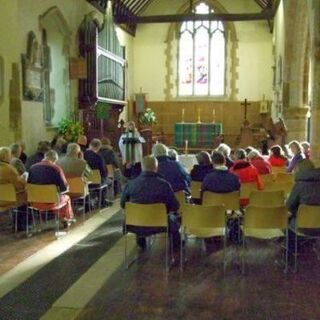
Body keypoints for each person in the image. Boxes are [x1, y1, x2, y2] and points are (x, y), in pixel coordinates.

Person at [121, 155, 180, 249]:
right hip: (159, 224)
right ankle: (175, 249)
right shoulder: (164, 185)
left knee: (139, 210)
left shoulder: (131, 184)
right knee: (175, 219)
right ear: (156, 168)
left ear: (141, 167)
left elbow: (123, 204)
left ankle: (141, 242)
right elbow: (175, 206)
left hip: (134, 223)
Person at [28, 150, 74, 222]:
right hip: (51, 202)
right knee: (66, 197)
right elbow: (64, 188)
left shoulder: (32, 168)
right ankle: (67, 219)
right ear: (55, 160)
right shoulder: (56, 168)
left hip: (34, 202)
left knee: (56, 196)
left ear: (45, 157)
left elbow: (29, 185)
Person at [0, 147, 28, 230]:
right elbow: (19, 186)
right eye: (9, 155)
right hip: (9, 199)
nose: (11, 157)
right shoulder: (9, 169)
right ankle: (21, 225)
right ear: (5, 157)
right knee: (26, 194)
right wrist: (24, 180)